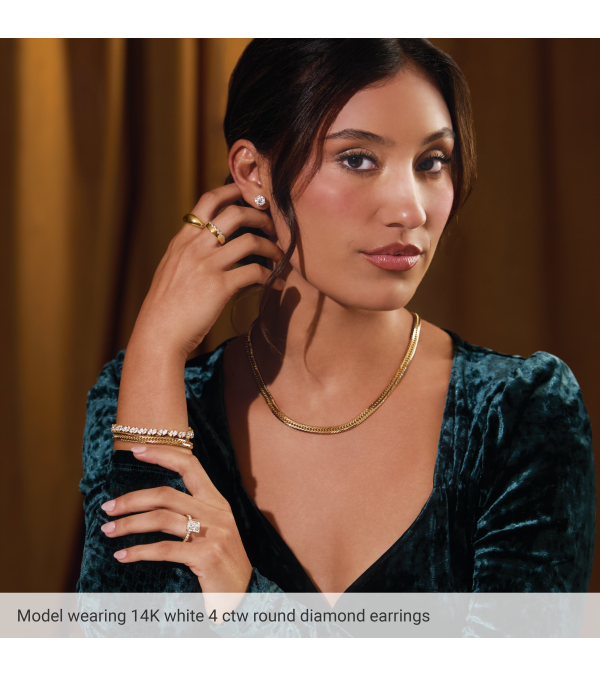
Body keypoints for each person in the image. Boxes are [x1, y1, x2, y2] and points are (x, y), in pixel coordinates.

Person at [77, 39, 595, 603]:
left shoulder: (520, 413)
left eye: (431, 162)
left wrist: (247, 600)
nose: (410, 210)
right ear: (252, 171)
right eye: (357, 159)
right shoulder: (147, 393)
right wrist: (156, 346)